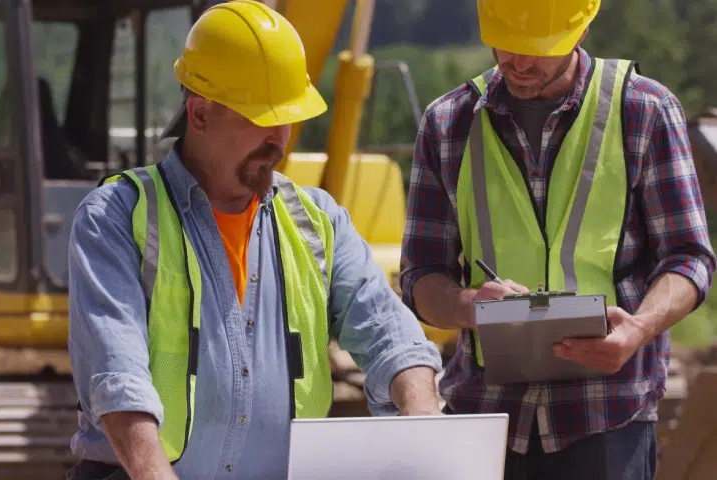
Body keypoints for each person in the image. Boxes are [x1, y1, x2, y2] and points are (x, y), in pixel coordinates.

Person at [65, 2, 443, 479]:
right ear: (199, 114)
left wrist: (422, 412)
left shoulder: (318, 219)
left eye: (288, 118)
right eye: (263, 118)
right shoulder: (116, 217)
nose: (280, 138)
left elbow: (392, 335)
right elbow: (117, 379)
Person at [400, 1, 716, 479]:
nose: (519, 63)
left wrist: (639, 328)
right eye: (507, 44)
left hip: (608, 415)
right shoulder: (448, 122)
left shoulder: (644, 110)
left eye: (538, 49)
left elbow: (690, 257)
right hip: (486, 417)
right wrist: (469, 306)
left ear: (581, 27)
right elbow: (421, 274)